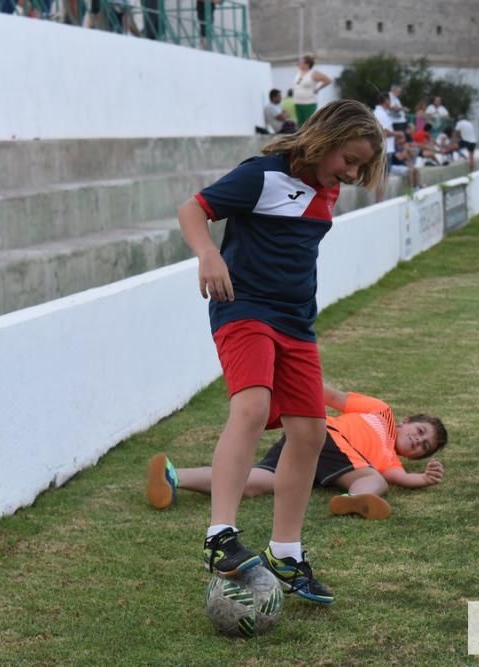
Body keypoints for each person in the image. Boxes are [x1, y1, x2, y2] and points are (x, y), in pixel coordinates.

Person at [176, 100, 386, 605]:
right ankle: (218, 537)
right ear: (326, 139)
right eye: (348, 159)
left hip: (297, 323)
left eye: (360, 165)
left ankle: (285, 553)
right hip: (243, 307)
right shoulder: (261, 174)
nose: (352, 172)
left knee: (311, 433)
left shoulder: (329, 187)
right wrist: (208, 255)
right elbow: (193, 210)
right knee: (249, 406)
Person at [146, 383, 447, 520]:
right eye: (419, 432)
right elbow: (335, 397)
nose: (417, 442)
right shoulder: (382, 413)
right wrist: (298, 384)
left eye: (423, 448)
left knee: (255, 482)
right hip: (326, 436)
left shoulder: (392, 460)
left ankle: (174, 476)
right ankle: (354, 499)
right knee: (375, 480)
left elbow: (399, 477)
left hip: (314, 459)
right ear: (407, 421)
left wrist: (423, 479)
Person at [293, 54, 332, 127]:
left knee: (308, 123)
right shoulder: (299, 73)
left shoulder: (313, 73)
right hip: (298, 101)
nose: (299, 64)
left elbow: (328, 80)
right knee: (300, 124)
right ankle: (301, 138)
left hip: (309, 102)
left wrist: (318, 89)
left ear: (307, 64)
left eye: (301, 62)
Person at [372, 93, 397, 202]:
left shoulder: (381, 113)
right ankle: (380, 200)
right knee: (382, 177)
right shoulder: (379, 113)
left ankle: (381, 199)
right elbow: (383, 131)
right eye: (389, 100)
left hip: (386, 149)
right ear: (386, 101)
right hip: (384, 150)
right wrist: (397, 134)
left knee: (384, 176)